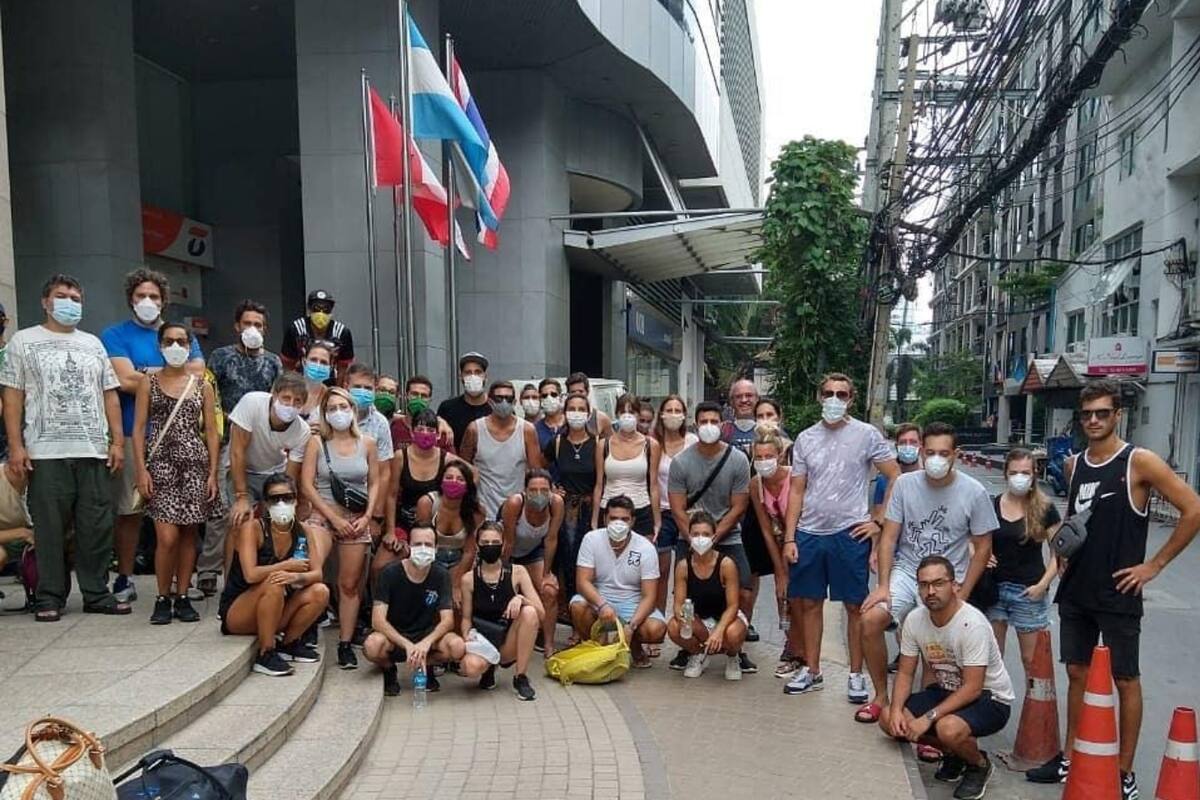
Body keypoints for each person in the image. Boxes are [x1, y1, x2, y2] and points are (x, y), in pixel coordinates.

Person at [1026, 380, 1200, 796]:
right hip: (1077, 587)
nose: (1094, 420)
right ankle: (1070, 756)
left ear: (1117, 415)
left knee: (1125, 679)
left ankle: (1123, 772)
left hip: (1119, 589)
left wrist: (1153, 565)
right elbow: (1075, 522)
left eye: (1102, 413)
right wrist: (1060, 555)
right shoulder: (1074, 465)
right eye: (1087, 414)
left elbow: (1193, 509)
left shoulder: (1139, 462)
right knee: (1077, 672)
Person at [1, 274, 127, 620]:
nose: (69, 302)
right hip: (45, 452)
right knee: (49, 528)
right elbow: (12, 397)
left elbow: (109, 395)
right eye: (61, 296)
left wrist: (116, 441)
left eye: (75, 297)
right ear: (45, 302)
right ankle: (49, 596)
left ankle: (96, 592)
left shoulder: (93, 344)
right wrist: (16, 445)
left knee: (96, 526)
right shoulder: (23, 342)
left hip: (92, 450)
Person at [859, 422, 998, 725]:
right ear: (921, 451)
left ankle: (925, 716)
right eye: (930, 452)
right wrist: (883, 585)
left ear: (956, 454)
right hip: (908, 572)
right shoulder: (906, 486)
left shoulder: (974, 492)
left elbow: (983, 547)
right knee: (871, 619)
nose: (936, 459)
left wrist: (963, 591)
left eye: (944, 453)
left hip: (950, 578)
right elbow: (890, 537)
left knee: (935, 647)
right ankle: (881, 696)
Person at [779, 373, 899, 700]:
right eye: (829, 393)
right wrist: (790, 538)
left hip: (851, 533)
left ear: (851, 398)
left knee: (855, 606)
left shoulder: (867, 435)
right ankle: (812, 669)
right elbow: (797, 491)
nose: (834, 399)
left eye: (842, 394)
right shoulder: (805, 439)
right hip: (809, 532)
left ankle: (856, 674)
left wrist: (879, 520)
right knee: (808, 603)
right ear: (819, 397)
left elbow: (894, 477)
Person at [102, 268, 203, 604]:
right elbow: (125, 379)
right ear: (131, 299)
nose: (148, 302)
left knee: (182, 518)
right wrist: (169, 374)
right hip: (137, 434)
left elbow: (198, 374)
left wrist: (146, 373)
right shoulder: (115, 335)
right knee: (130, 509)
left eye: (154, 297)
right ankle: (125, 576)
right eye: (142, 296)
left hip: (184, 442)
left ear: (164, 301)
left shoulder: (179, 333)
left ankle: (179, 584)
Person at [881, 555, 1015, 800]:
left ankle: (978, 764)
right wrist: (899, 709)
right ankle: (955, 754)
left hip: (990, 698)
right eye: (924, 585)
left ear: (954, 586)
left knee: (947, 728)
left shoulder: (971, 623)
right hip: (946, 691)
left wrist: (927, 718)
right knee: (889, 717)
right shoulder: (915, 619)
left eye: (939, 583)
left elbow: (973, 688)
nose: (931, 591)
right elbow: (906, 672)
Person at [133, 322, 224, 625]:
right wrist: (141, 469)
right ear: (160, 345)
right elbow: (139, 429)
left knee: (188, 535)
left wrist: (212, 473)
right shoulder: (149, 382)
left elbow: (211, 431)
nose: (175, 346)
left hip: (194, 465)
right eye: (169, 341)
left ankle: (183, 595)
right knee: (166, 536)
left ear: (189, 346)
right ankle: (162, 595)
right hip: (161, 465)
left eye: (181, 341)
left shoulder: (202, 385)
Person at [198, 300, 284, 595]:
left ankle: (250, 565)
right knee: (224, 508)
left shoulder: (273, 362)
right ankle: (209, 569)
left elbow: (278, 400)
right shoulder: (220, 357)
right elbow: (210, 399)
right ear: (237, 326)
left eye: (258, 325)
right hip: (228, 441)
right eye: (247, 324)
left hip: (263, 444)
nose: (252, 330)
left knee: (263, 507)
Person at [667, 400, 755, 674]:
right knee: (685, 595)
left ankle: (735, 648)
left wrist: (712, 538)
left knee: (744, 592)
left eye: (714, 422)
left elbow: (739, 506)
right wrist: (695, 540)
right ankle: (691, 646)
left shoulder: (738, 459)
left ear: (723, 426)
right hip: (690, 537)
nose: (708, 427)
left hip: (728, 536)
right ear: (695, 424)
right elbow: (678, 509)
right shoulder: (681, 462)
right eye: (703, 422)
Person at [300, 387, 381, 670]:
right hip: (323, 516)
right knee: (312, 571)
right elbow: (307, 485)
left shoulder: (368, 443)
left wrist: (368, 515)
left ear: (352, 409)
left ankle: (345, 643)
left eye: (343, 406)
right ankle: (303, 629)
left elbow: (375, 482)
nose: (338, 413)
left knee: (349, 584)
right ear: (324, 413)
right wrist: (332, 519)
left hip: (357, 518)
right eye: (332, 408)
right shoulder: (316, 443)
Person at [219, 473, 330, 676]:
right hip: (239, 610)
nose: (281, 503)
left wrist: (297, 577)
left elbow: (317, 574)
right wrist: (286, 566)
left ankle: (288, 643)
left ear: (296, 500)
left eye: (287, 498)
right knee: (274, 583)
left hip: (276, 606)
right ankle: (265, 652)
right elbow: (251, 575)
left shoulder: (303, 531)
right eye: (274, 499)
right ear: (266, 503)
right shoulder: (253, 529)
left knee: (320, 591)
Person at [365, 524, 467, 696]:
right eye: (417, 544)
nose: (422, 549)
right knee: (372, 646)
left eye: (428, 545)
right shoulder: (390, 573)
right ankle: (390, 670)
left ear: (436, 548)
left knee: (457, 647)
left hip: (426, 635)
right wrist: (408, 645)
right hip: (394, 636)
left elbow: (448, 620)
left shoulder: (441, 575)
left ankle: (426, 665)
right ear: (409, 546)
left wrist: (425, 643)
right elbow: (378, 620)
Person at [570, 495, 666, 668]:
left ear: (633, 521)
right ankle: (596, 647)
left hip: (633, 603)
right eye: (613, 518)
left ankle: (635, 647)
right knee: (577, 606)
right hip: (600, 598)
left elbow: (649, 596)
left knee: (655, 629)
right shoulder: (591, 539)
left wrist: (632, 625)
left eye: (624, 519)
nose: (618, 523)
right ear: (605, 518)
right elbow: (583, 582)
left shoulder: (646, 548)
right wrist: (602, 605)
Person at [458, 521, 544, 700]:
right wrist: (467, 637)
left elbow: (540, 613)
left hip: (508, 641)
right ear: (477, 545)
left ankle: (520, 677)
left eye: (495, 543)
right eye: (486, 543)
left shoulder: (518, 572)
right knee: (470, 668)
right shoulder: (468, 579)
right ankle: (488, 668)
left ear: (504, 544)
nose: (490, 547)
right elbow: (466, 618)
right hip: (484, 641)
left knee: (529, 612)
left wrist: (521, 599)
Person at [665, 511, 749, 681]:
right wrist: (682, 619)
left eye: (705, 534)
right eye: (695, 534)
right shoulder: (683, 566)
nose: (700, 538)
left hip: (726, 617)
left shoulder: (726, 564)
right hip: (697, 618)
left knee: (733, 634)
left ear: (714, 536)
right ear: (689, 536)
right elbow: (678, 603)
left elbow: (733, 605)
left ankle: (733, 656)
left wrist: (719, 631)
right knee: (674, 627)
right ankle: (698, 653)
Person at [748, 427, 804, 678]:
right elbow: (765, 530)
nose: (763, 462)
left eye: (768, 456)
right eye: (758, 458)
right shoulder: (755, 485)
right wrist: (779, 571)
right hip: (779, 543)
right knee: (783, 598)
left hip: (803, 541)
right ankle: (791, 647)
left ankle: (804, 654)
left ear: (780, 455)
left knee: (803, 601)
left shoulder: (796, 477)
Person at [380, 409, 462, 579]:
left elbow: (473, 475)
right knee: (379, 566)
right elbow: (391, 495)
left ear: (438, 434)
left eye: (431, 430)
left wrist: (451, 498)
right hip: (405, 523)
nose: (425, 434)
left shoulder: (446, 458)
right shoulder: (400, 457)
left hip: (433, 526)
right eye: (420, 429)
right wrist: (390, 531)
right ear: (411, 431)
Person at [226, 374, 312, 530]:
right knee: (240, 521)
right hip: (241, 470)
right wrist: (241, 497)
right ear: (274, 394)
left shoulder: (302, 431)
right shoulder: (251, 403)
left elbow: (289, 476)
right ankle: (231, 555)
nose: (290, 405)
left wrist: (286, 502)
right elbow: (237, 452)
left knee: (277, 523)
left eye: (297, 401)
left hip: (274, 474)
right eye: (286, 398)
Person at [499, 469, 564, 655]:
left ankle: (548, 644)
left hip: (534, 552)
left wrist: (546, 574)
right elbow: (508, 542)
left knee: (549, 591)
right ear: (525, 490)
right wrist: (504, 575)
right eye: (533, 489)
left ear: (551, 491)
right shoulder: (514, 504)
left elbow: (551, 539)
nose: (538, 494)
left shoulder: (556, 504)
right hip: (509, 552)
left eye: (544, 490)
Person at [543, 391, 599, 606]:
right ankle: (566, 609)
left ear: (589, 413)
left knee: (586, 562)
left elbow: (601, 481)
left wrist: (595, 517)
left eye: (581, 409)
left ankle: (584, 611)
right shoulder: (557, 442)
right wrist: (552, 489)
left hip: (588, 509)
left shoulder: (598, 443)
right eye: (571, 409)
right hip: (563, 510)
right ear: (564, 413)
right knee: (564, 559)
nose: (576, 414)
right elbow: (539, 466)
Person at [459, 381, 541, 518]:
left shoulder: (527, 430)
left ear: (514, 402)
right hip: (483, 510)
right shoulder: (475, 429)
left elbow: (536, 472)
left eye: (508, 399)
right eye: (499, 398)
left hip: (517, 511)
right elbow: (462, 468)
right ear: (490, 401)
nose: (504, 402)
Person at [414, 461, 484, 608]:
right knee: (429, 597)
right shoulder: (427, 503)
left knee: (455, 601)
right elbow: (419, 540)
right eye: (449, 477)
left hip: (458, 559)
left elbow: (469, 551)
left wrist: (456, 584)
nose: (454, 482)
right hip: (429, 555)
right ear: (441, 482)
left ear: (467, 486)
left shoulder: (476, 511)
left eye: (460, 479)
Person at [592, 394, 661, 543]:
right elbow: (599, 485)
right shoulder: (603, 445)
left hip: (641, 510)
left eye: (632, 412)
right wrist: (594, 520)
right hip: (609, 510)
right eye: (623, 412)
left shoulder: (651, 445)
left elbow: (654, 486)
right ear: (616, 414)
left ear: (638, 415)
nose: (627, 416)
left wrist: (657, 521)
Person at [652, 394, 697, 619]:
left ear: (685, 416)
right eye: (668, 410)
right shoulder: (652, 443)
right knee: (660, 572)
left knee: (689, 570)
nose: (673, 415)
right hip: (661, 514)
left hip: (688, 514)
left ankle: (686, 622)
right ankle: (658, 621)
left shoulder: (693, 442)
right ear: (660, 415)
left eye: (677, 410)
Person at [345, 362, 395, 507]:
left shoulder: (380, 423)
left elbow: (384, 473)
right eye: (357, 387)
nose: (362, 391)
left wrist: (376, 514)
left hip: (365, 500)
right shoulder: (328, 413)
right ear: (346, 385)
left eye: (368, 388)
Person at [280, 289, 354, 381]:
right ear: (309, 309)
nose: (321, 313)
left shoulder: (342, 333)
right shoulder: (295, 329)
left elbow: (344, 368)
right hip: (301, 381)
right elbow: (288, 364)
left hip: (331, 382)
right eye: (316, 309)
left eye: (326, 309)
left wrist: (338, 389)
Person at [437, 352, 492, 450]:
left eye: (478, 372)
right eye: (468, 372)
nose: (473, 376)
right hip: (456, 463)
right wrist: (439, 420)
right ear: (460, 377)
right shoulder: (447, 408)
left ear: (485, 377)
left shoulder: (496, 407)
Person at [388, 374, 455, 451]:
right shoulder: (394, 427)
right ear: (406, 396)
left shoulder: (440, 430)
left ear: (430, 400)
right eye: (414, 394)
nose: (418, 399)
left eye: (424, 396)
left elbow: (453, 461)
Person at [297, 341, 334, 427]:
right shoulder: (287, 389)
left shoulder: (331, 398)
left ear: (330, 368)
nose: (318, 365)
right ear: (304, 361)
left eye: (323, 362)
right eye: (313, 360)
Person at [565, 372, 612, 438]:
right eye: (573, 392)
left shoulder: (601, 419)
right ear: (568, 394)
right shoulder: (564, 418)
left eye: (581, 391)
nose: (577, 395)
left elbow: (610, 445)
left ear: (587, 392)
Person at [721, 377, 760, 453]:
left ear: (757, 398)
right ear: (731, 401)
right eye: (738, 396)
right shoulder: (723, 431)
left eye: (749, 395)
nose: (744, 400)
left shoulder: (770, 430)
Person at [533, 378, 565, 451]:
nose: (549, 398)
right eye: (544, 396)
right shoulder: (535, 430)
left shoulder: (570, 425)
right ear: (540, 400)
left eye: (553, 395)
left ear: (560, 398)